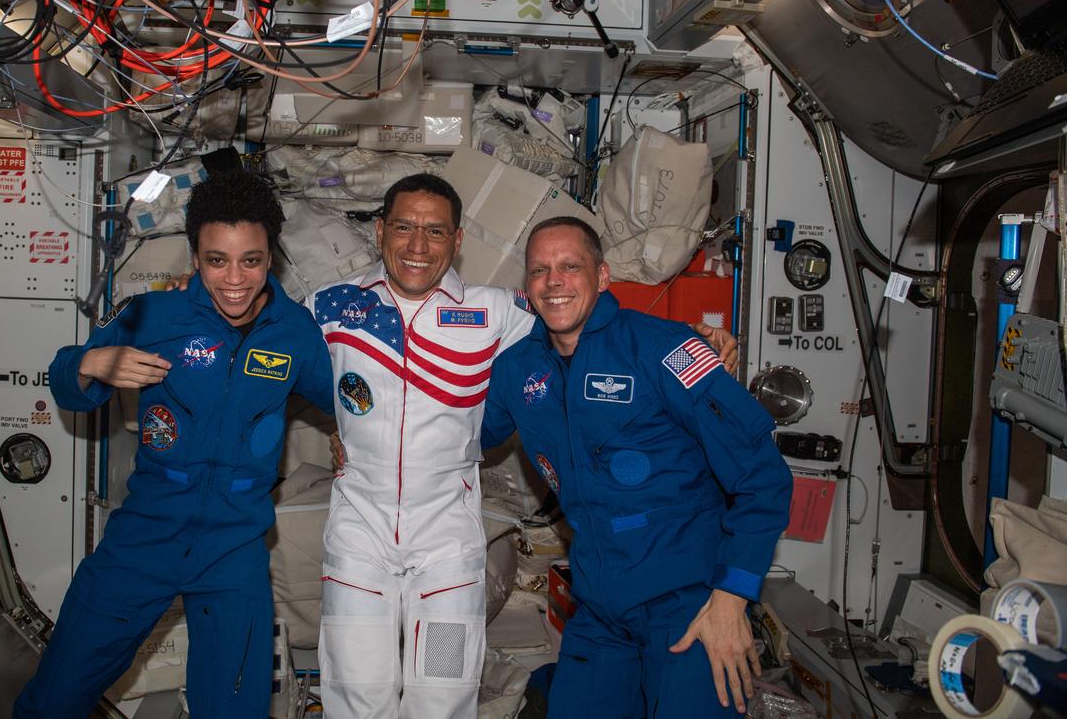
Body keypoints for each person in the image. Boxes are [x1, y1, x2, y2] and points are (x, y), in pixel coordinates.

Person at [311, 175, 739, 719]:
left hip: (445, 545)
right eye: (404, 227)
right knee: (356, 694)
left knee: (442, 695)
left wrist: (694, 337)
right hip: (359, 537)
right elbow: (260, 331)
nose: (418, 245)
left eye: (435, 231)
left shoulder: (495, 311)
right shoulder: (329, 306)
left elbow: (585, 309)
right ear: (379, 231)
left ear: (457, 240)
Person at [14, 169, 334, 718]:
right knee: (57, 695)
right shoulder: (155, 315)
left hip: (235, 548)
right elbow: (66, 380)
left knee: (236, 707)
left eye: (250, 261)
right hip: (146, 535)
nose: (234, 279)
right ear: (195, 256)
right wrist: (94, 363)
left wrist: (353, 435)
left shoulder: (295, 332)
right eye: (216, 260)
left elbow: (346, 402)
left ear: (271, 258)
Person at [480, 216, 793, 719]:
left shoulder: (664, 349)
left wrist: (733, 596)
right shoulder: (518, 369)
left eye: (570, 266)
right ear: (527, 284)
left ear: (602, 276)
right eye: (540, 270)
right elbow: (460, 435)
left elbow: (764, 477)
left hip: (688, 604)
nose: (554, 281)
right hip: (601, 607)